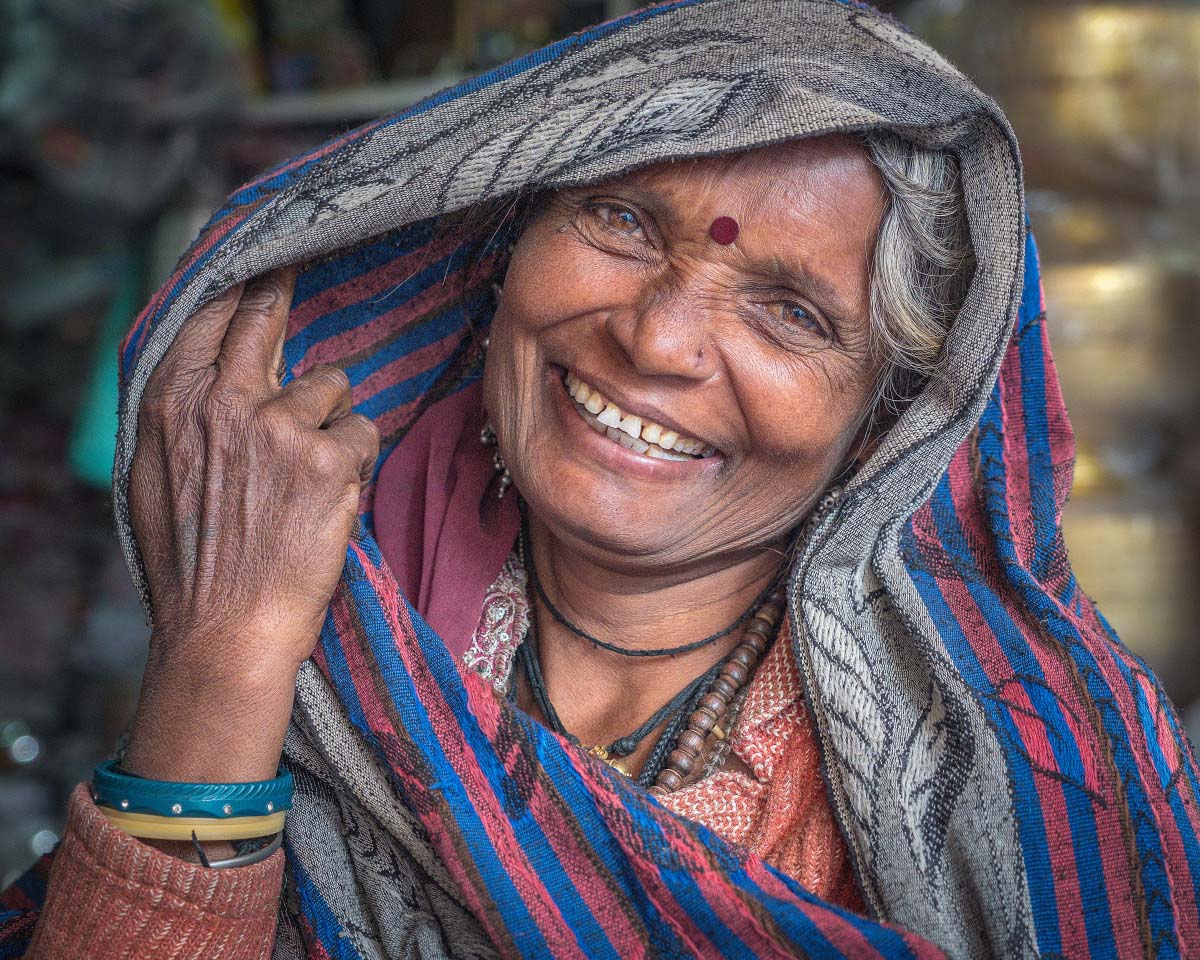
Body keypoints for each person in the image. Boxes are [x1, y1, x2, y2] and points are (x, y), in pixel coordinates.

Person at [4, 1, 1200, 957]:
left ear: (890, 421)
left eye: (790, 312)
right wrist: (227, 653)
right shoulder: (323, 588)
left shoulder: (1038, 764)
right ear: (502, 249)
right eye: (623, 221)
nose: (657, 339)